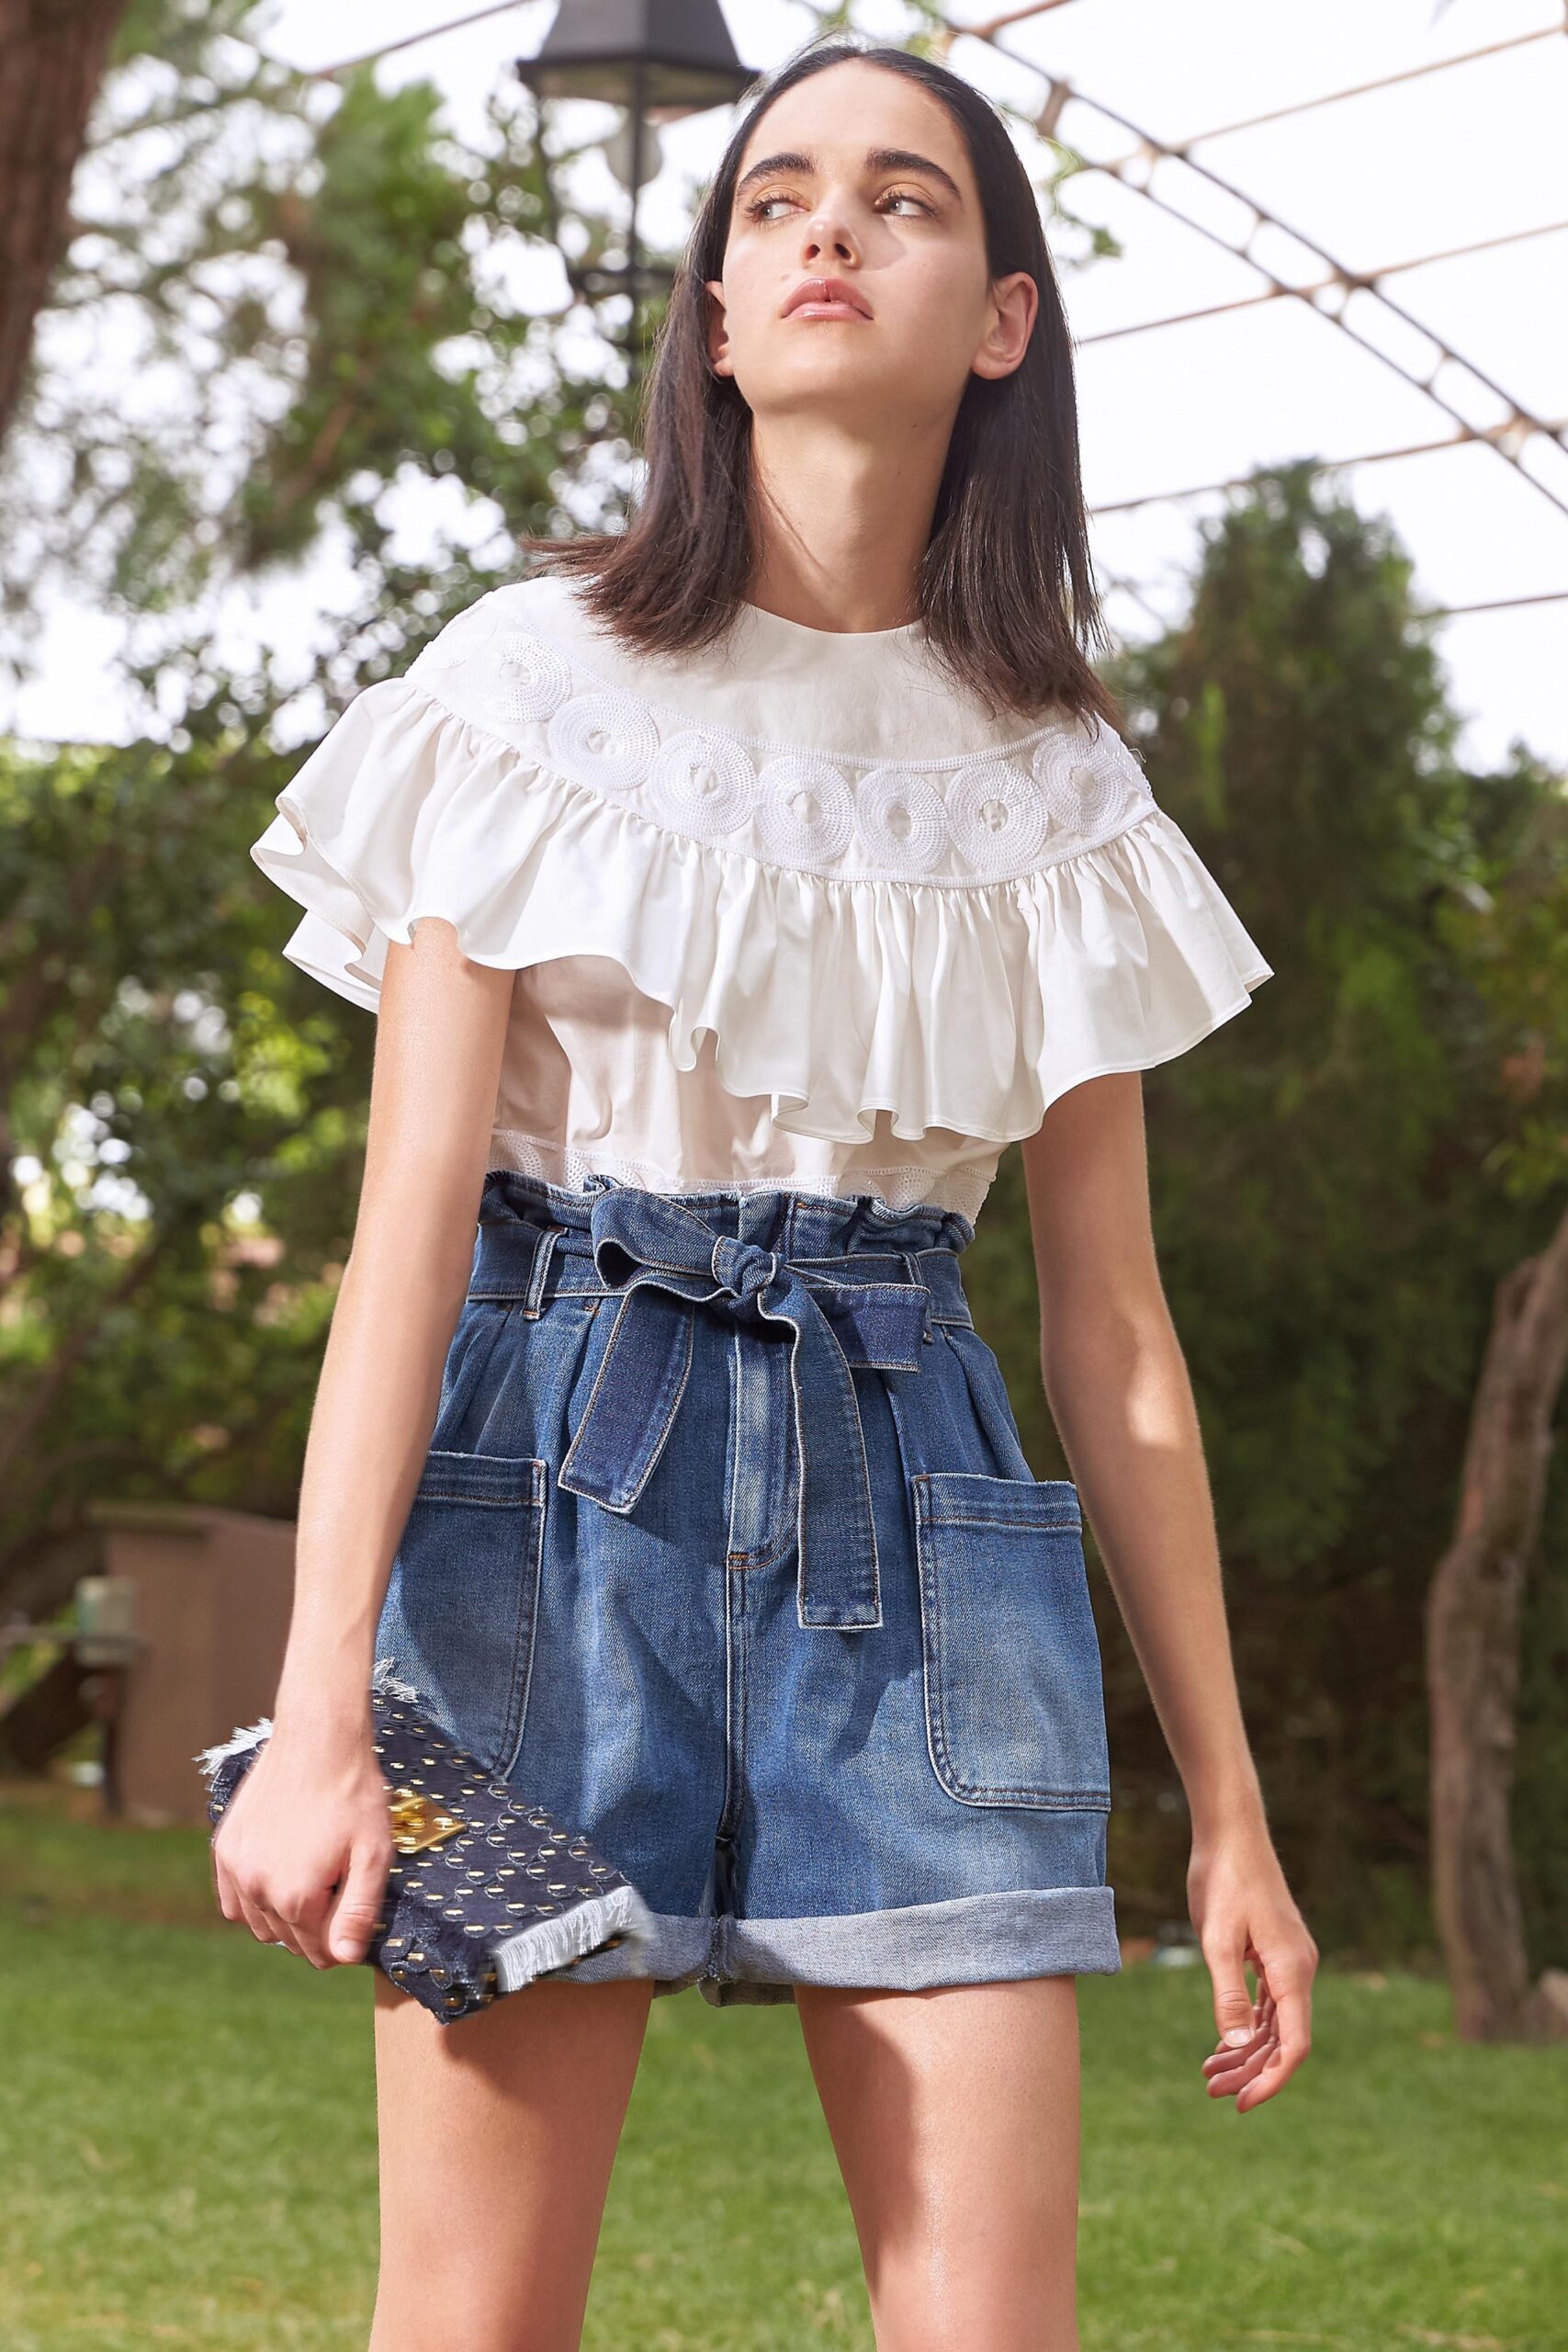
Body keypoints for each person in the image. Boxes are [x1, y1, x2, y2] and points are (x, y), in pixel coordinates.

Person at [209, 33, 1316, 2352]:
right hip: (544, 1498)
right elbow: (405, 1233)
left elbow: (1109, 1325)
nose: (827, 229)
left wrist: (1227, 1801)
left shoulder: (1059, 783)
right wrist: (319, 1706)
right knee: (474, 2320)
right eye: (776, 198)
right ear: (714, 312)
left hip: (921, 1518)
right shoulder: (524, 689)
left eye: (902, 200)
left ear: (1000, 317)